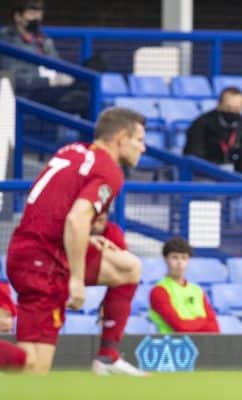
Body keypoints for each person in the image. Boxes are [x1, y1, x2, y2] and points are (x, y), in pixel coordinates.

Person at [0, 107, 146, 374]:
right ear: (121, 137)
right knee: (32, 369)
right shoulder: (109, 170)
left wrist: (87, 238)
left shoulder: (72, 151)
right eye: (139, 140)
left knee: (128, 267)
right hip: (44, 263)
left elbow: (57, 208)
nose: (143, 148)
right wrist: (76, 280)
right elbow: (76, 219)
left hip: (33, 250)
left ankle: (107, 357)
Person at [84, 211, 145, 375]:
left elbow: (123, 273)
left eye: (103, 211)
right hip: (52, 264)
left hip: (83, 268)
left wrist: (109, 306)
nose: (100, 215)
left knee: (131, 268)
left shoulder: (112, 231)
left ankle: (108, 356)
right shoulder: (64, 222)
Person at [149, 237, 219, 333]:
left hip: (202, 345)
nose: (179, 263)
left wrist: (193, 324)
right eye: (174, 257)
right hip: (173, 345)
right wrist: (202, 321)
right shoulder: (159, 291)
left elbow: (214, 328)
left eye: (184, 258)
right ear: (166, 259)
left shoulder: (197, 290)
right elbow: (180, 327)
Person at [183, 87, 242, 175]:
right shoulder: (201, 124)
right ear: (219, 105)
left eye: (236, 109)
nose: (232, 112)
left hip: (232, 178)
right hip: (205, 176)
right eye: (228, 108)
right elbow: (195, 157)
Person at [0, 0, 59, 89]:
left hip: (49, 90)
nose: (37, 18)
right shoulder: (6, 39)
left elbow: (58, 65)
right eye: (32, 14)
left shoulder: (45, 40)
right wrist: (46, 82)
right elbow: (11, 76)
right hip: (22, 95)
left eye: (39, 14)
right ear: (18, 16)